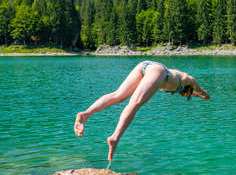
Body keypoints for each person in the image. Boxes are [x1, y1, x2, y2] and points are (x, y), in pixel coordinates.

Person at [74, 61, 210, 161]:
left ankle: (85, 115)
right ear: (188, 89)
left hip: (145, 66)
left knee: (118, 95)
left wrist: (198, 96)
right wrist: (206, 95)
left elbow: (192, 93)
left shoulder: (183, 86)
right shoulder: (190, 80)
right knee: (135, 103)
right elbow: (200, 90)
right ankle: (115, 137)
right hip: (159, 71)